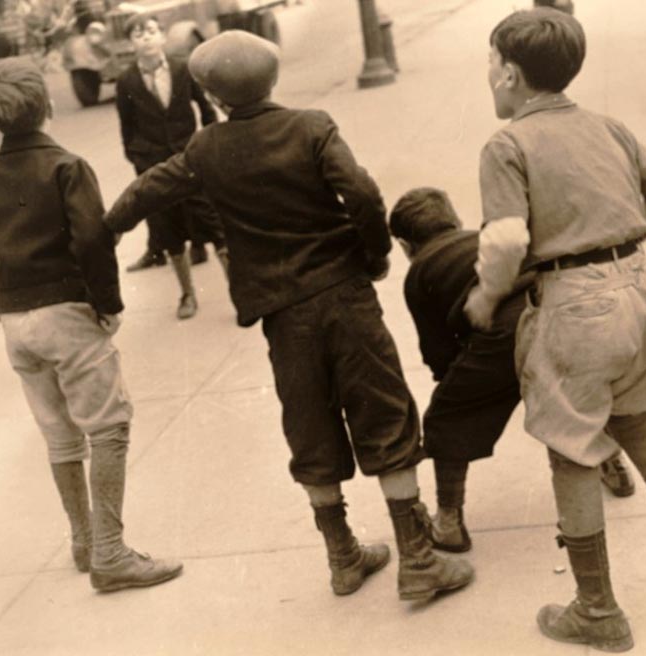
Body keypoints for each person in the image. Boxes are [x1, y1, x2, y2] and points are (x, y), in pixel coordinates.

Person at [103, 30, 474, 601]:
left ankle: (343, 556)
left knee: (309, 426)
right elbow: (364, 194)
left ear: (213, 96)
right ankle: (418, 559)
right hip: (346, 297)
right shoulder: (312, 126)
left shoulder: (205, 149)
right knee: (384, 413)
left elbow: (144, 193)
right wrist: (372, 254)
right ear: (273, 78)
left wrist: (100, 234)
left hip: (281, 315)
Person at [464, 9, 646, 651]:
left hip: (575, 310)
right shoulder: (607, 126)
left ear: (511, 74)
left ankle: (598, 610)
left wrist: (488, 291)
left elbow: (504, 238)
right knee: (636, 419)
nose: (489, 74)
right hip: (640, 292)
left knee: (572, 451)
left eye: (491, 64)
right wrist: (618, 240)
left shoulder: (507, 145)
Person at [0, 59, 182, 593]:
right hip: (68, 314)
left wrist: (3, 303)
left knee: (59, 435)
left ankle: (83, 540)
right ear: (47, 108)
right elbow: (92, 240)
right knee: (109, 427)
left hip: (17, 322)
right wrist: (107, 303)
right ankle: (111, 552)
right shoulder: (67, 167)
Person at [389, 188, 636, 553]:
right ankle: (613, 464)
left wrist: (458, 383)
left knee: (446, 417)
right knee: (575, 398)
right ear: (455, 221)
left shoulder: (419, 273)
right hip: (557, 315)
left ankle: (449, 521)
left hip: (501, 336)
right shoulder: (480, 241)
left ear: (405, 245)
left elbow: (436, 350)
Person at [115, 13, 228, 318]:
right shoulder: (126, 81)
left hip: (191, 161)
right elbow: (127, 130)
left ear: (163, 37)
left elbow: (206, 110)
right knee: (170, 232)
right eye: (138, 34)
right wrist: (140, 161)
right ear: (130, 44)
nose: (146, 38)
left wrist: (206, 145)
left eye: (151, 31)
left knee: (216, 225)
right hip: (154, 167)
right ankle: (187, 295)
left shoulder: (182, 69)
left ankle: (239, 291)